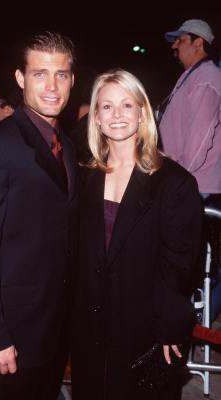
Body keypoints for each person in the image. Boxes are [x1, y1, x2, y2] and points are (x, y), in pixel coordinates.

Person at [0, 31, 78, 400]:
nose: (52, 86)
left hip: (54, 325)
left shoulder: (66, 145)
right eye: (40, 74)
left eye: (62, 74)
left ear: (73, 80)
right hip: (14, 332)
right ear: (21, 80)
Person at [71, 68, 203, 400]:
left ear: (142, 112)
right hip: (89, 323)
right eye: (106, 106)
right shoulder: (82, 176)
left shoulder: (175, 183)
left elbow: (179, 267)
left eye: (127, 105)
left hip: (142, 325)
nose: (117, 115)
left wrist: (170, 327)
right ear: (96, 118)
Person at [158, 19, 221, 198]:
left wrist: (178, 180)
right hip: (184, 180)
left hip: (193, 184)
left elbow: (199, 140)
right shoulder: (194, 76)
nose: (174, 46)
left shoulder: (206, 79)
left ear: (199, 43)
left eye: (181, 40)